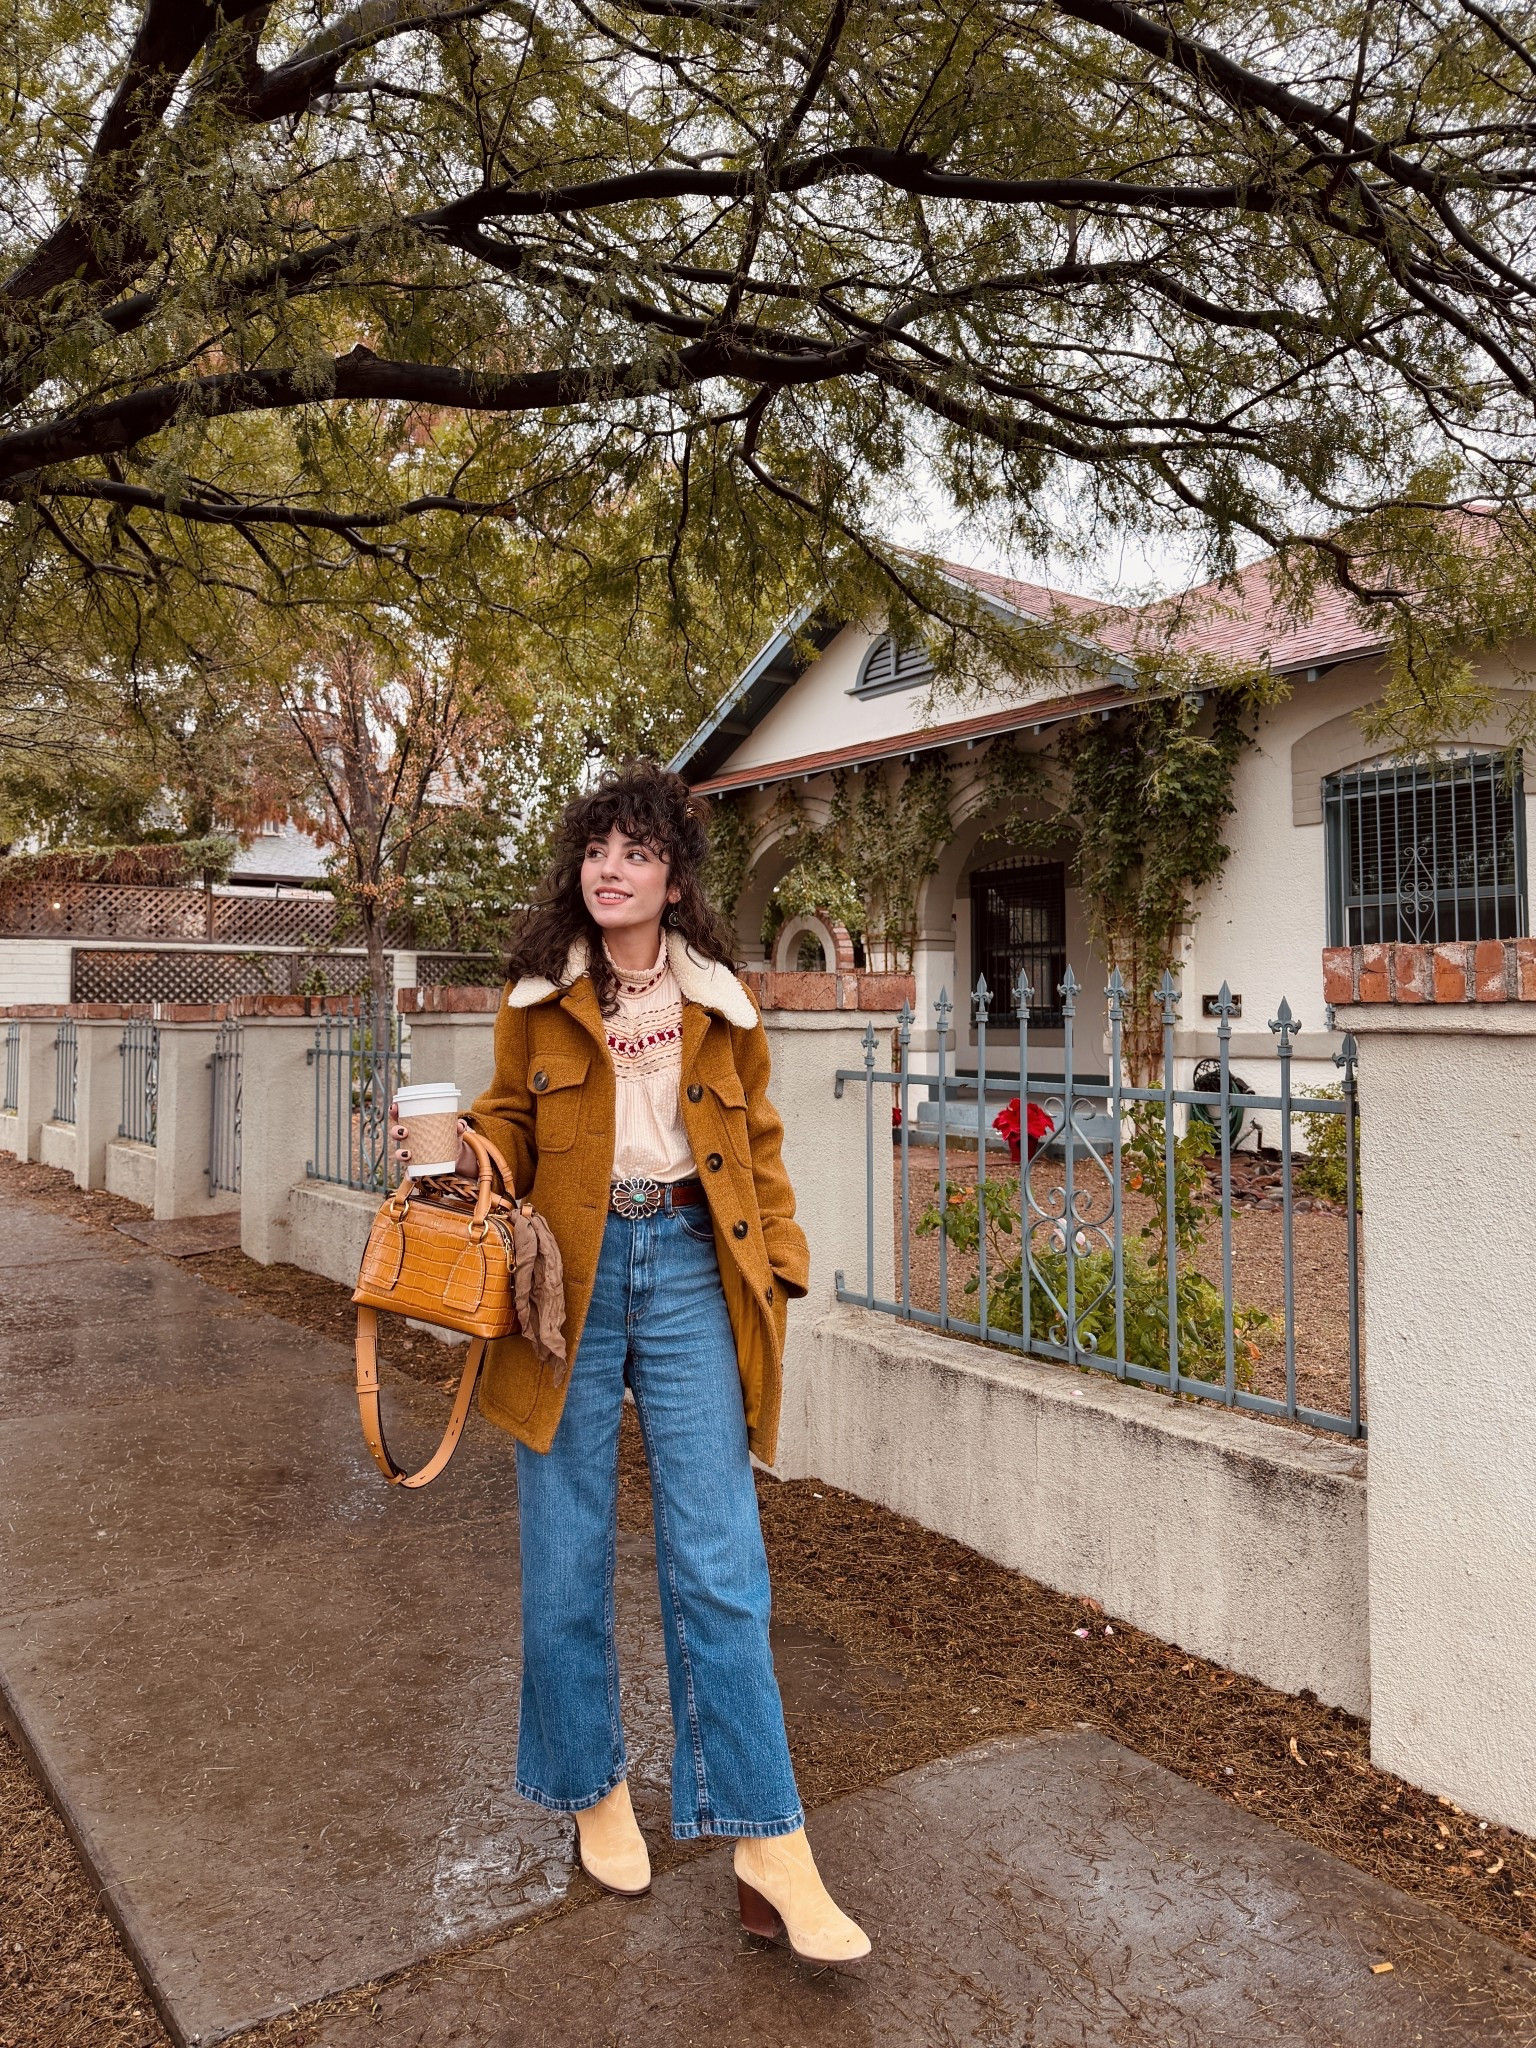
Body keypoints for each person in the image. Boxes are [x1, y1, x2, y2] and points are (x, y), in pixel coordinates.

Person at [391, 760, 869, 1966]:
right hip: (568, 1275)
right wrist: (453, 1151)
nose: (613, 869)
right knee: (567, 1551)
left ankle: (772, 1843)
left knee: (720, 1558)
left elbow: (756, 1144)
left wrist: (786, 1261)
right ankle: (589, 1783)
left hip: (695, 1271)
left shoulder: (720, 1002)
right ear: (580, 867)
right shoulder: (540, 995)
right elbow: (511, 1115)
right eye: (597, 848)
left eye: (637, 851)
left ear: (673, 875)